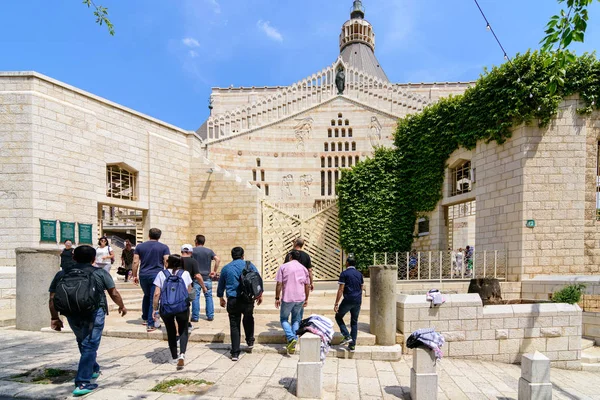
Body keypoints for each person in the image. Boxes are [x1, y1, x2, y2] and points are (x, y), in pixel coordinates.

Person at [48, 245, 127, 397]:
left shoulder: (62, 274)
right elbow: (113, 292)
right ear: (93, 259)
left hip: (71, 313)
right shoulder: (99, 272)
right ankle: (83, 382)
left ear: (73, 257)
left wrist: (55, 317)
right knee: (89, 345)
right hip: (94, 313)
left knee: (82, 341)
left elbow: (52, 298)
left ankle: (93, 368)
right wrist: (121, 306)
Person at [217, 247, 262, 361]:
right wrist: (259, 294)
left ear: (232, 256)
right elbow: (257, 279)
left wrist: (221, 297)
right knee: (248, 318)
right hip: (247, 299)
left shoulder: (226, 268)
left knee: (234, 325)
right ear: (243, 255)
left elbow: (221, 284)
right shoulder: (249, 265)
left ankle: (235, 353)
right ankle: (250, 341)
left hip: (233, 300)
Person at [152, 254, 193, 370]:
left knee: (170, 331)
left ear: (168, 262)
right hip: (182, 307)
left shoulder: (161, 274)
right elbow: (189, 291)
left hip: (166, 307)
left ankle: (174, 357)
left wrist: (155, 309)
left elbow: (156, 293)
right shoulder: (185, 274)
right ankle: (182, 355)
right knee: (183, 329)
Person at [132, 228, 170, 332]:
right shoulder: (164, 247)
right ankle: (151, 323)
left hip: (143, 274)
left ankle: (145, 317)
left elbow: (135, 262)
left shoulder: (140, 246)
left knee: (147, 295)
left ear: (149, 235)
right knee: (154, 298)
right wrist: (168, 274)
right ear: (159, 236)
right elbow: (166, 261)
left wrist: (134, 275)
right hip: (157, 275)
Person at [275, 249, 310, 354]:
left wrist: (277, 297)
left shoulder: (283, 267)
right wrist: (307, 298)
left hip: (288, 297)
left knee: (284, 319)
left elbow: (279, 284)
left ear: (290, 257)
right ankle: (293, 341)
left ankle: (291, 338)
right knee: (295, 320)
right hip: (300, 297)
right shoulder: (304, 268)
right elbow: (307, 285)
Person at [333, 253, 364, 352]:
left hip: (348, 300)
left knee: (338, 317)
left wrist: (336, 303)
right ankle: (352, 345)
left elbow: (341, 289)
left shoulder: (344, 274)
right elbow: (361, 288)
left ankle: (346, 335)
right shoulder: (359, 274)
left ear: (347, 263)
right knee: (354, 322)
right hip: (357, 300)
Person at [192, 235, 220, 322]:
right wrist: (214, 271)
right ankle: (210, 315)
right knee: (208, 296)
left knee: (195, 297)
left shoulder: (192, 251)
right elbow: (217, 259)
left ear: (196, 241)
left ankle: (195, 317)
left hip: (196, 277)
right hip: (207, 277)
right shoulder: (209, 251)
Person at [181, 244, 207, 330]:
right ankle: (187, 324)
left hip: (174, 285)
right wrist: (203, 287)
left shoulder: (176, 260)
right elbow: (198, 276)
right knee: (186, 305)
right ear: (191, 252)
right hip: (187, 286)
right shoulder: (193, 261)